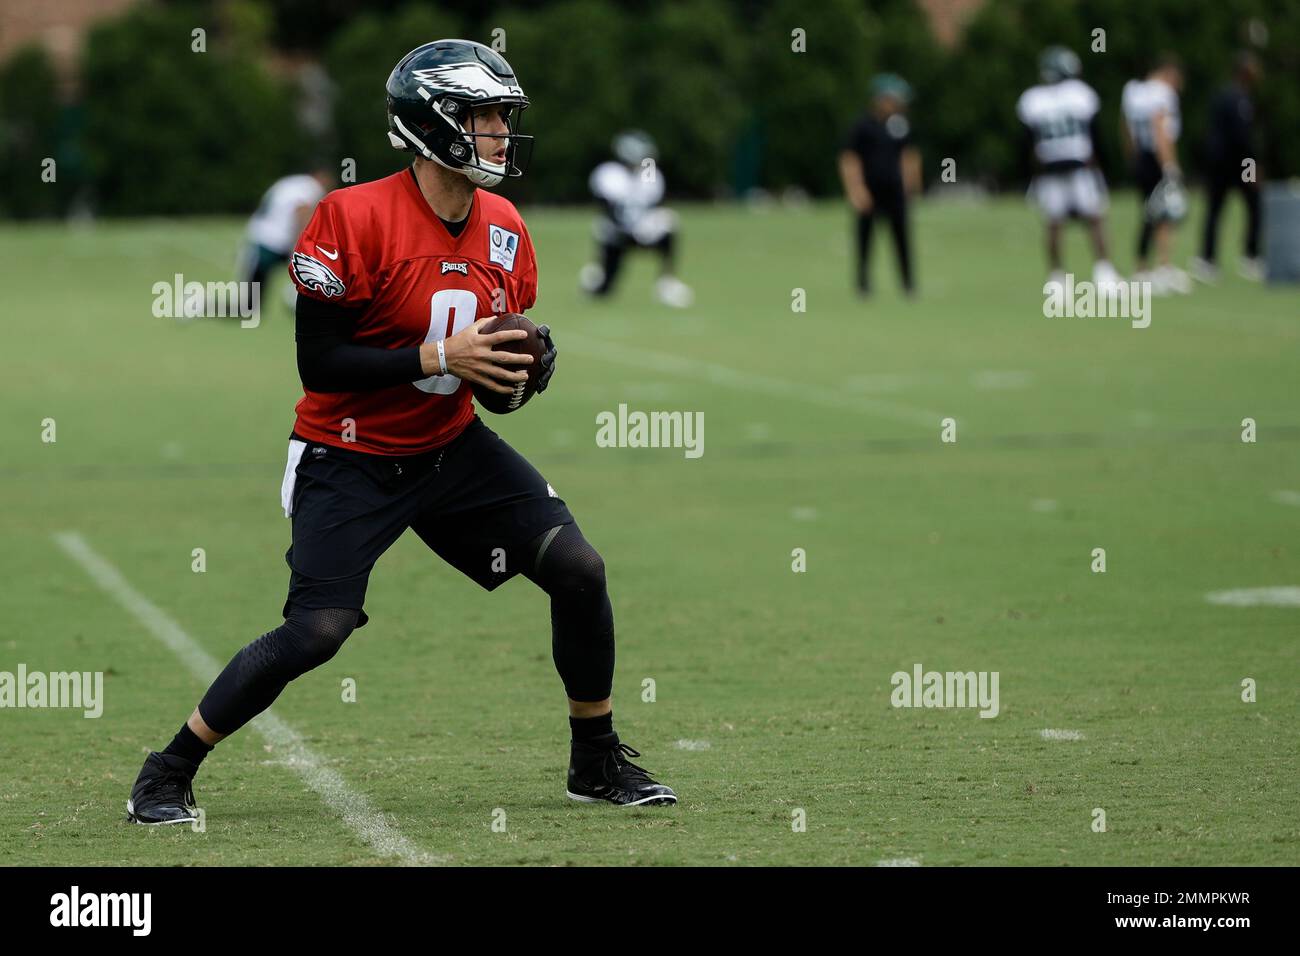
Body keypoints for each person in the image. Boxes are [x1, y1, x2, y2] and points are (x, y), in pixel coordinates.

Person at [126, 39, 677, 826]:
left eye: (501, 118)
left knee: (579, 569)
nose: (499, 133)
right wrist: (435, 353)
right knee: (318, 630)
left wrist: (524, 367)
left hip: (449, 446)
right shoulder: (352, 217)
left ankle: (594, 760)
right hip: (347, 451)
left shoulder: (505, 228)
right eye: (485, 117)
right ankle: (169, 768)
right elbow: (320, 365)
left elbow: (493, 392)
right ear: (435, 122)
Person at [1017, 47, 1119, 290]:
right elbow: (1096, 136)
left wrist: (1028, 174)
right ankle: (1103, 272)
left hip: (1049, 169)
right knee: (1095, 219)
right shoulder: (1081, 94)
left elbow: (1026, 143)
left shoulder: (1033, 99)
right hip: (1081, 166)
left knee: (1054, 223)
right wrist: (1105, 168)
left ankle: (1057, 277)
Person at [579, 130, 692, 308]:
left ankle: (667, 282)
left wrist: (642, 227)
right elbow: (607, 209)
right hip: (616, 234)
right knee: (603, 291)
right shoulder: (608, 174)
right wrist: (627, 228)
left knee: (669, 221)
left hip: (641, 230)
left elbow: (654, 205)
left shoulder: (649, 173)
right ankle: (598, 276)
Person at [838, 74, 921, 296]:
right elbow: (849, 159)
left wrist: (911, 185)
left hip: (895, 192)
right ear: (880, 99)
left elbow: (908, 155)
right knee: (865, 239)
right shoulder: (862, 126)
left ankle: (908, 284)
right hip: (870, 190)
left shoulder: (900, 125)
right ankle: (863, 285)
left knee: (902, 238)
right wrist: (856, 190)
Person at [1192, 51, 1263, 283]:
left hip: (1219, 162)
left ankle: (1207, 259)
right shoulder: (1238, 98)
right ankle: (1249, 257)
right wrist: (1252, 167)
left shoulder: (1223, 94)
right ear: (1244, 71)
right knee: (1251, 206)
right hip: (1234, 164)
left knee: (1215, 210)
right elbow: (1242, 139)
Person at [1121, 56, 1190, 294]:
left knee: (1148, 212)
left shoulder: (1133, 91)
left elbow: (1126, 128)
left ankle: (1142, 268)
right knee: (1164, 213)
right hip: (1155, 157)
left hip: (1140, 156)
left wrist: (1131, 157)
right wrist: (1170, 165)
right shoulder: (1163, 94)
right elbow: (1160, 128)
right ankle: (1163, 266)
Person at [236, 165, 334, 314]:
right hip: (271, 242)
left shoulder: (292, 182)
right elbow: (301, 215)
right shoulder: (311, 188)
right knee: (249, 307)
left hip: (262, 237)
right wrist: (300, 248)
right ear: (321, 176)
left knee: (250, 305)